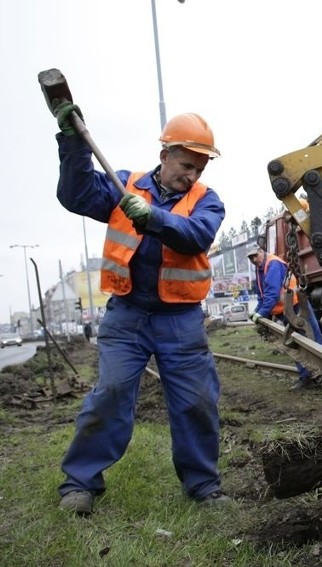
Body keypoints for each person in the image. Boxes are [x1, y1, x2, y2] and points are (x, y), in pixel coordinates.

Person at [51, 102, 231, 514]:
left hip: (179, 320)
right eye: (185, 164)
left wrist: (151, 217)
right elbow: (75, 194)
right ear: (164, 154)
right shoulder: (124, 185)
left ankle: (203, 485)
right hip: (127, 315)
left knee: (196, 402)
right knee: (110, 394)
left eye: (199, 169)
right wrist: (73, 143)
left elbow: (196, 236)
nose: (191, 175)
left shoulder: (207, 200)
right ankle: (80, 484)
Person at [246, 243, 322, 389]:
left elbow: (272, 293)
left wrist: (261, 313)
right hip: (285, 311)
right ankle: (306, 377)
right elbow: (262, 295)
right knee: (294, 343)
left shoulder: (273, 264)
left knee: (312, 338)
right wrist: (257, 311)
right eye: (251, 258)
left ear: (261, 252)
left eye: (255, 256)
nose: (254, 260)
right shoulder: (260, 269)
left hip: (296, 305)